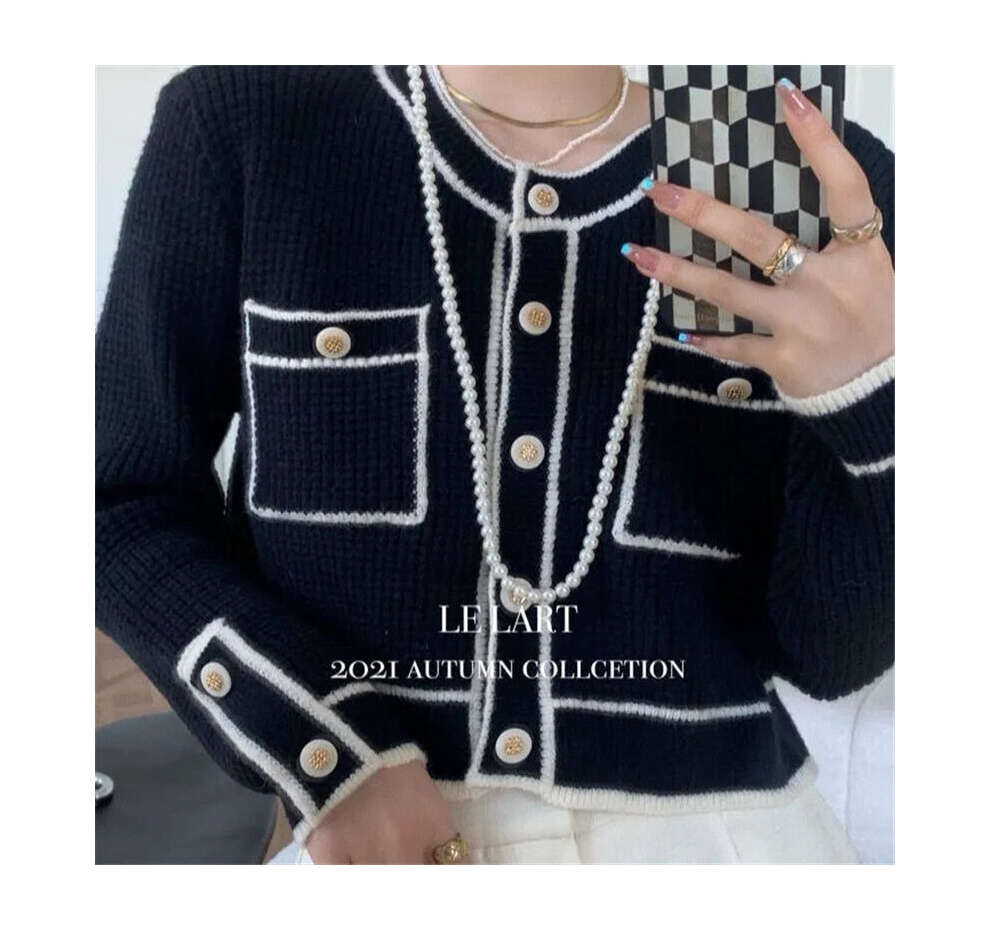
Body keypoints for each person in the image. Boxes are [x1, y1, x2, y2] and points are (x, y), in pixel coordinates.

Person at [95, 65, 894, 864]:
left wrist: (873, 401)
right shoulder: (258, 122)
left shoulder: (785, 170)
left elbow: (829, 656)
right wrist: (325, 751)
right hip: (379, 846)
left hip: (733, 848)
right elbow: (115, 502)